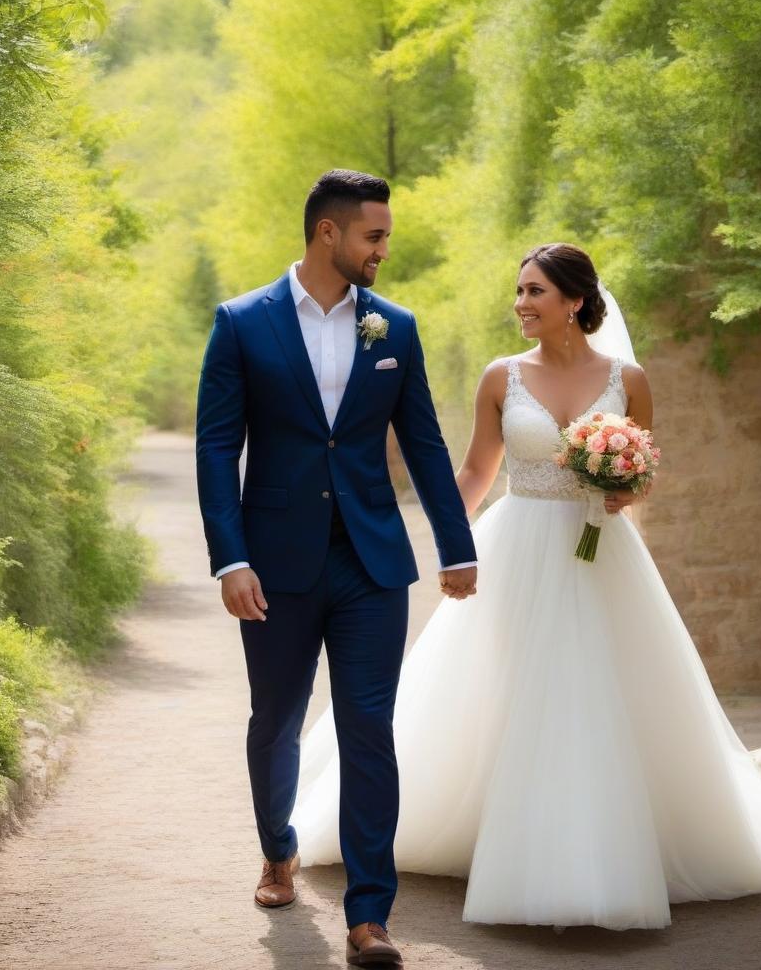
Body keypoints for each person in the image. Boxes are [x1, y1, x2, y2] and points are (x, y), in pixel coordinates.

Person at [293, 242, 761, 931]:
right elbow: (474, 472)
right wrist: (450, 543)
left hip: (600, 554)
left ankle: (598, 851)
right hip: (517, 549)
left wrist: (622, 492)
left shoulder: (630, 379)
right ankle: (500, 837)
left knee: (597, 690)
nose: (521, 303)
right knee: (514, 689)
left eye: (534, 291)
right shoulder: (503, 377)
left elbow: (642, 474)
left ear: (574, 301)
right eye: (519, 290)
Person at [195, 169, 477, 966]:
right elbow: (218, 446)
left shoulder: (395, 327)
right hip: (274, 565)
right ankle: (278, 848)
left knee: (367, 728)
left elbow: (423, 441)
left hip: (371, 564)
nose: (384, 249)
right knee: (276, 718)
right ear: (330, 233)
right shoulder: (243, 323)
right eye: (374, 236)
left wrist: (457, 547)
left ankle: (368, 916)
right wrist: (231, 558)